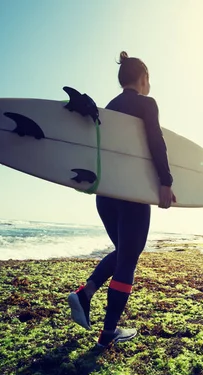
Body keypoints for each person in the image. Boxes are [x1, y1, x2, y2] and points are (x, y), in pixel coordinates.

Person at [68, 51, 177, 348]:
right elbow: (156, 141)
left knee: (124, 252)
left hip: (105, 195)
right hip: (131, 193)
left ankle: (85, 293)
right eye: (149, 79)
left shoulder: (107, 109)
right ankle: (107, 334)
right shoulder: (146, 104)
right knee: (129, 257)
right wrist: (165, 182)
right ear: (143, 79)